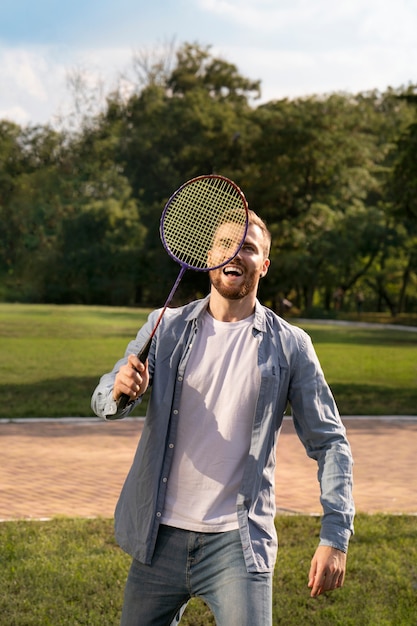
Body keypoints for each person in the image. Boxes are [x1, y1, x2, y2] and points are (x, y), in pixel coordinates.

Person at [91, 210, 354, 626]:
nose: (236, 253)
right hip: (158, 535)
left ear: (263, 265)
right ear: (208, 254)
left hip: (238, 542)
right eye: (226, 244)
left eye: (248, 247)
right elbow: (105, 394)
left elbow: (331, 443)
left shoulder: (291, 346)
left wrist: (335, 537)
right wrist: (122, 390)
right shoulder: (166, 327)